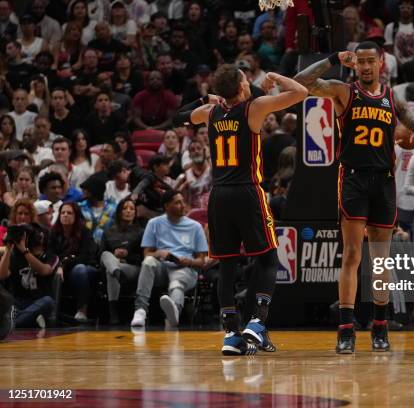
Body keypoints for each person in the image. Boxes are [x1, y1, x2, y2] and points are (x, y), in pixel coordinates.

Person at [294, 42, 414, 353]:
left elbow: (410, 118)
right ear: (355, 65)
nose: (366, 67)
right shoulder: (344, 92)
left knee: (380, 258)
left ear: (382, 63)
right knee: (353, 255)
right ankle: (345, 329)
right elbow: (302, 83)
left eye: (371, 61)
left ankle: (380, 326)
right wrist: (331, 58)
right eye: (361, 62)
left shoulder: (391, 98)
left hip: (384, 182)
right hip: (353, 179)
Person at [180, 64, 307, 355]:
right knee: (268, 259)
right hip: (248, 191)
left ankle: (231, 335)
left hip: (219, 196)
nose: (250, 82)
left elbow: (179, 116)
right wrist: (279, 78)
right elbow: (300, 92)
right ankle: (257, 323)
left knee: (227, 265)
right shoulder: (254, 108)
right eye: (245, 80)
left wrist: (205, 100)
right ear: (240, 89)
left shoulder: (210, 113)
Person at [130, 190, 207, 329]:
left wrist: (188, 261)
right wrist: (159, 253)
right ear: (166, 206)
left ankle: (174, 312)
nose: (183, 205)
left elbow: (202, 260)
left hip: (185, 267)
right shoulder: (154, 223)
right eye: (178, 202)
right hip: (162, 266)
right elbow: (146, 253)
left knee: (176, 284)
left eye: (183, 202)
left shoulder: (195, 226)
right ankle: (140, 310)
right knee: (148, 262)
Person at [0, 201, 58, 329]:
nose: (22, 217)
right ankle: (25, 319)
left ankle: (13, 323)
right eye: (19, 213)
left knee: (48, 302)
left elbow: (44, 270)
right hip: (17, 302)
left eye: (26, 214)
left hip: (38, 300)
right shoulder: (14, 254)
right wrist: (9, 247)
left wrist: (24, 250)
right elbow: (2, 275)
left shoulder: (49, 255)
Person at [48, 202, 98, 323]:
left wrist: (63, 263)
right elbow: (50, 255)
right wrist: (60, 265)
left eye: (69, 213)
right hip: (63, 269)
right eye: (63, 212)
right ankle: (52, 313)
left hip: (87, 269)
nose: (65, 215)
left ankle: (82, 310)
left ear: (76, 216)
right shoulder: (53, 233)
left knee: (79, 269)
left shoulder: (85, 232)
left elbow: (86, 256)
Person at [100, 197, 143, 324]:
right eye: (125, 208)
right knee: (107, 255)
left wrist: (127, 255)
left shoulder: (141, 232)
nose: (128, 211)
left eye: (131, 209)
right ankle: (117, 272)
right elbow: (100, 256)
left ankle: (113, 311)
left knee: (110, 271)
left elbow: (144, 257)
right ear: (119, 212)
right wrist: (114, 255)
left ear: (135, 212)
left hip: (131, 268)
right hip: (112, 265)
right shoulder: (108, 232)